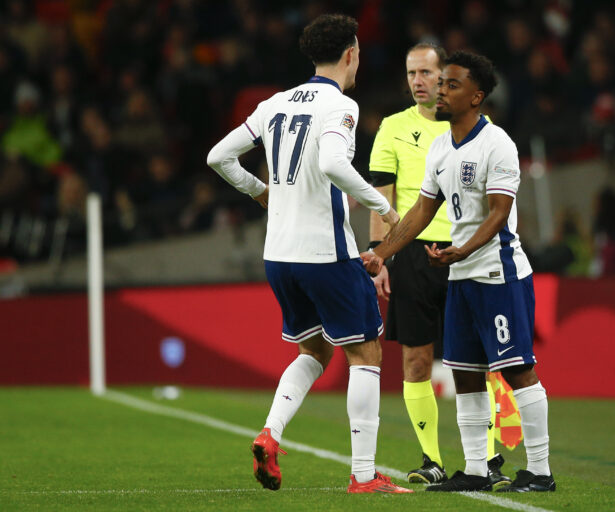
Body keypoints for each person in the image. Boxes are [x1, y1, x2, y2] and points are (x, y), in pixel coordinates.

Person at [206, 14, 410, 495]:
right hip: (325, 252)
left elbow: (218, 156)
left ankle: (269, 434)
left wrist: (260, 193)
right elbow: (334, 162)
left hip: (278, 253)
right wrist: (386, 206)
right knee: (366, 351)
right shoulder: (341, 105)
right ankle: (363, 476)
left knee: (314, 350)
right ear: (351, 54)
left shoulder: (274, 103)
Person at [363, 51, 555, 493]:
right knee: (466, 373)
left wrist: (460, 250)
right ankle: (474, 469)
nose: (440, 91)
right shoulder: (440, 147)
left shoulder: (498, 144)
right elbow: (420, 210)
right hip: (461, 275)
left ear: (477, 96)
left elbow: (498, 214)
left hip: (498, 274)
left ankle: (541, 472)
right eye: (441, 83)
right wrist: (383, 253)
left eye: (451, 84)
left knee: (518, 368)